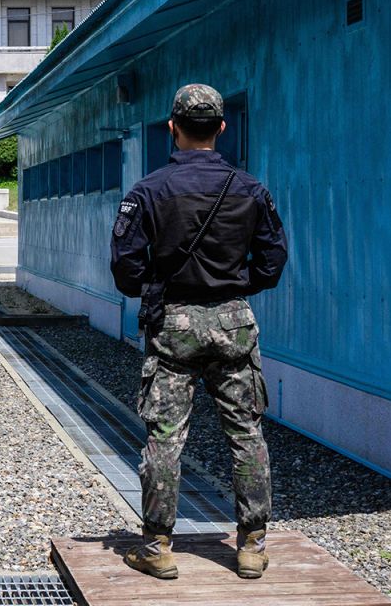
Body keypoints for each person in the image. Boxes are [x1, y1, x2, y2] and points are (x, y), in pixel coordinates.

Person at [109, 84, 288, 580]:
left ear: (173, 126)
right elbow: (272, 262)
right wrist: (234, 286)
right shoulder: (250, 189)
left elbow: (124, 270)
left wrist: (157, 286)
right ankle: (251, 545)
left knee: (165, 436)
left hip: (174, 324)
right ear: (221, 128)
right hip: (233, 322)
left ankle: (157, 546)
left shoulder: (148, 191)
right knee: (246, 432)